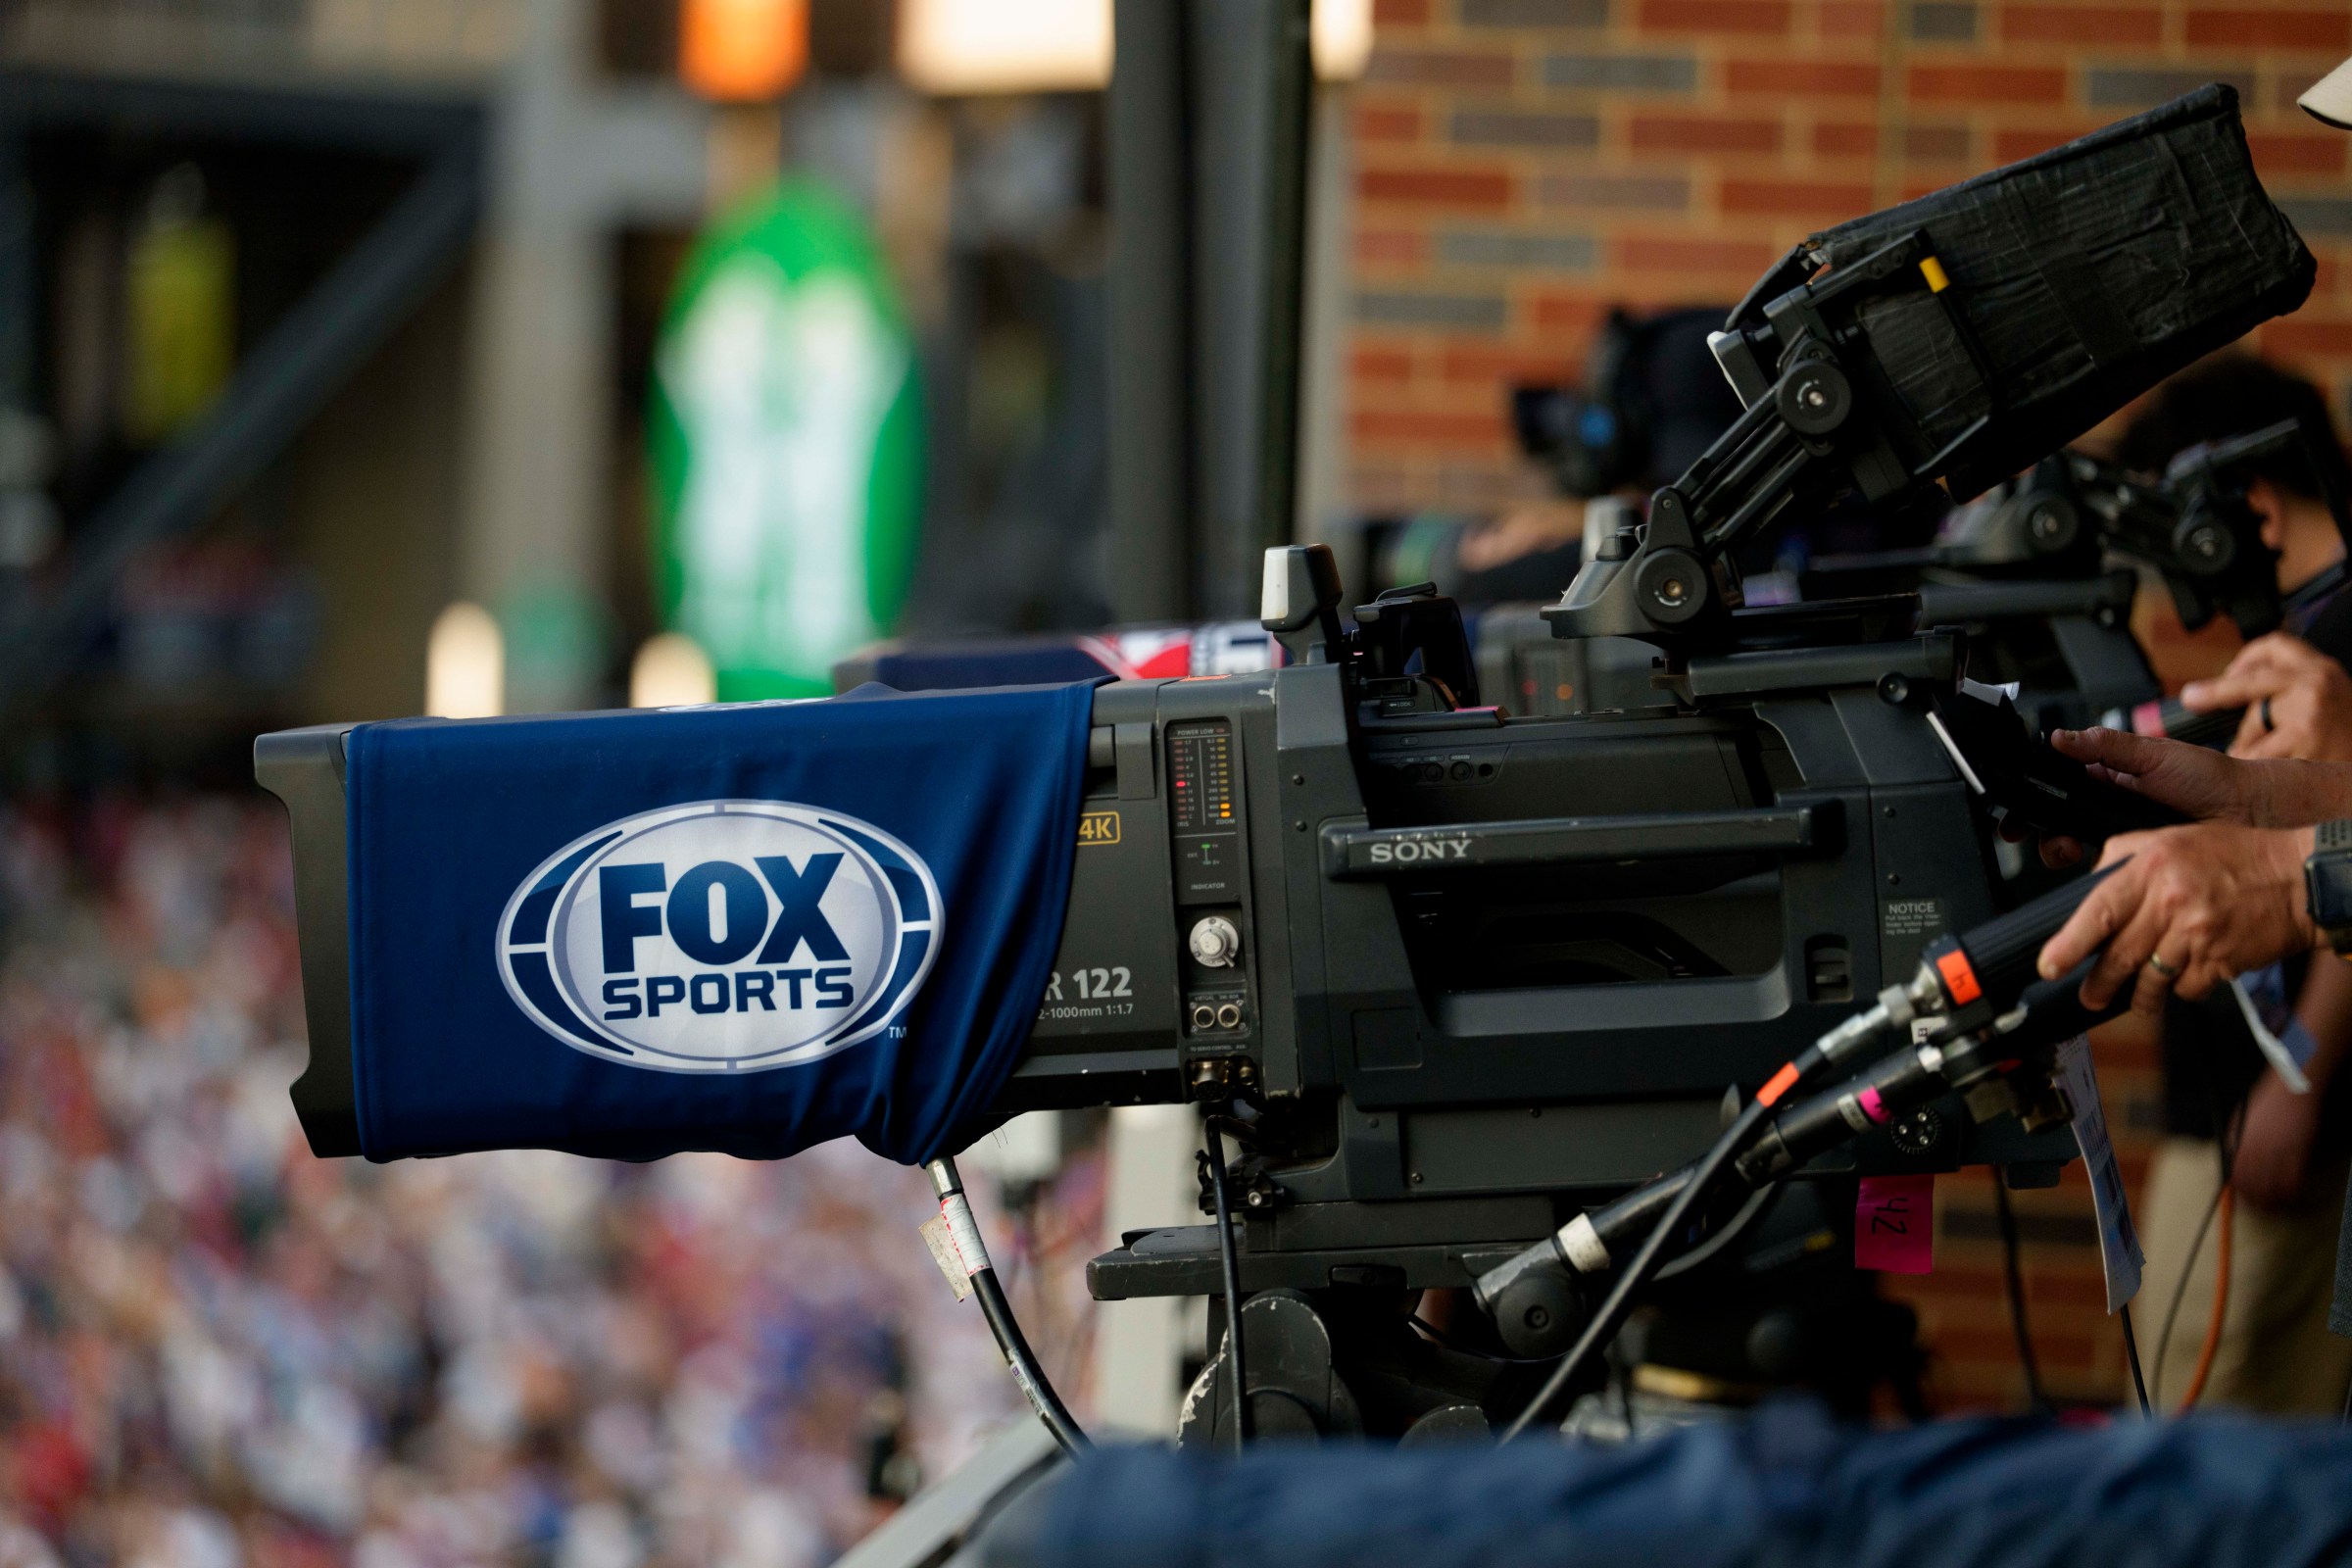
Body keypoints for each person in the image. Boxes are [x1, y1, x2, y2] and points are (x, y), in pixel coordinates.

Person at [2108, 358, 2352, 1410]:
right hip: (2254, 1100)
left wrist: (2296, 1084)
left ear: (2246, 502)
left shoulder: (2338, 638)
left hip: (2275, 1113)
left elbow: (2343, 853)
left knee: (2197, 1438)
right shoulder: (2315, 626)